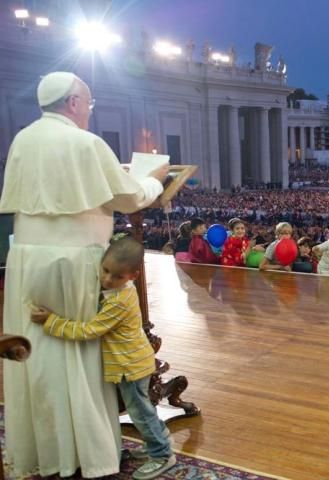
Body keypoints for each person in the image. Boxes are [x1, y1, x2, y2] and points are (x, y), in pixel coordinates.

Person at [0, 72, 168, 478]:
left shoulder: (23, 139)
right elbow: (128, 196)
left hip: (26, 259)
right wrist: (153, 179)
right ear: (74, 102)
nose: (89, 113)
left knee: (39, 356)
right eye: (88, 105)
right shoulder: (86, 142)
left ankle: (49, 450)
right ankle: (89, 453)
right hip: (74, 262)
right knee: (77, 354)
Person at [30, 237, 176, 480]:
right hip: (131, 361)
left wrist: (51, 321)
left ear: (133, 276)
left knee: (140, 412)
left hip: (130, 365)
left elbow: (90, 331)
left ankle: (162, 454)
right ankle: (157, 444)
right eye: (105, 270)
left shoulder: (119, 300)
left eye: (117, 276)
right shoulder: (115, 291)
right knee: (142, 409)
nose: (107, 279)